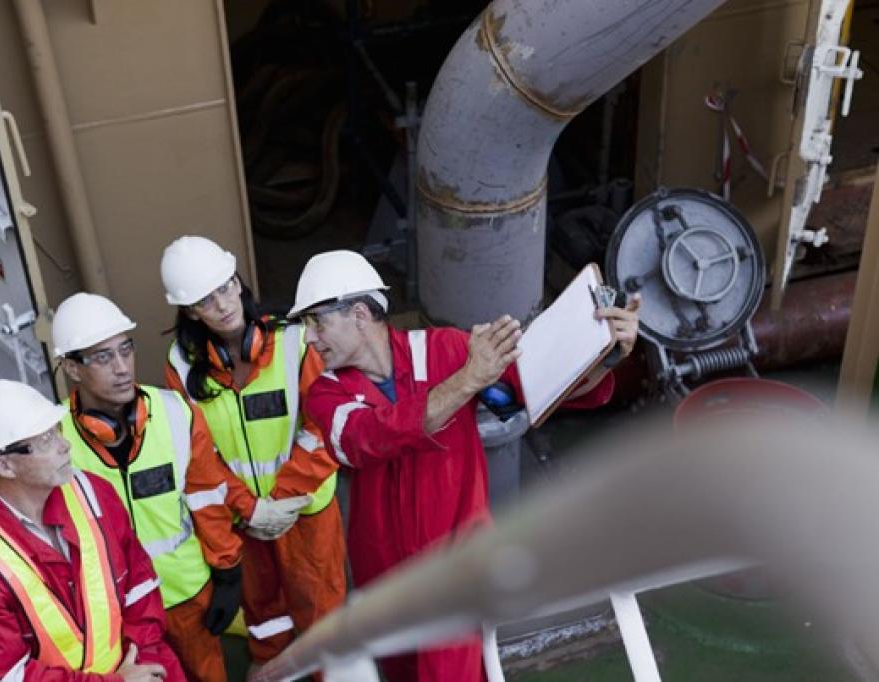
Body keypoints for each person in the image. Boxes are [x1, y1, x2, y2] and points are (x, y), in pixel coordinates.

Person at [289, 250, 642, 682]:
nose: (310, 338)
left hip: (457, 566)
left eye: (316, 322)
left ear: (359, 314)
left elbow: (537, 389)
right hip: (383, 574)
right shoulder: (325, 394)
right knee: (400, 673)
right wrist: (469, 379)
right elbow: (366, 438)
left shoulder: (448, 349)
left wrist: (605, 354)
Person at [53, 293, 270, 682]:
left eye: (126, 350)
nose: (122, 368)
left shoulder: (175, 412)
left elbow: (207, 497)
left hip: (186, 592)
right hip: (114, 608)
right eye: (103, 357)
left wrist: (228, 571)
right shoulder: (55, 439)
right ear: (72, 368)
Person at [160, 236, 347, 671]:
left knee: (322, 610)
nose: (223, 304)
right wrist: (251, 509)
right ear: (190, 311)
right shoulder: (182, 365)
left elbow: (324, 429)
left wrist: (279, 501)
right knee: (263, 614)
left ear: (238, 281)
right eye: (206, 300)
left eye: (226, 287)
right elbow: (198, 455)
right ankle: (273, 670)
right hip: (244, 518)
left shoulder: (297, 340)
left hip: (304, 512)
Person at [0, 379, 184, 682]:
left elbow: (140, 587)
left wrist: (145, 664)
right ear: (4, 465)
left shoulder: (92, 493)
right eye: (46, 439)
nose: (65, 445)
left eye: (57, 430)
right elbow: (5, 675)